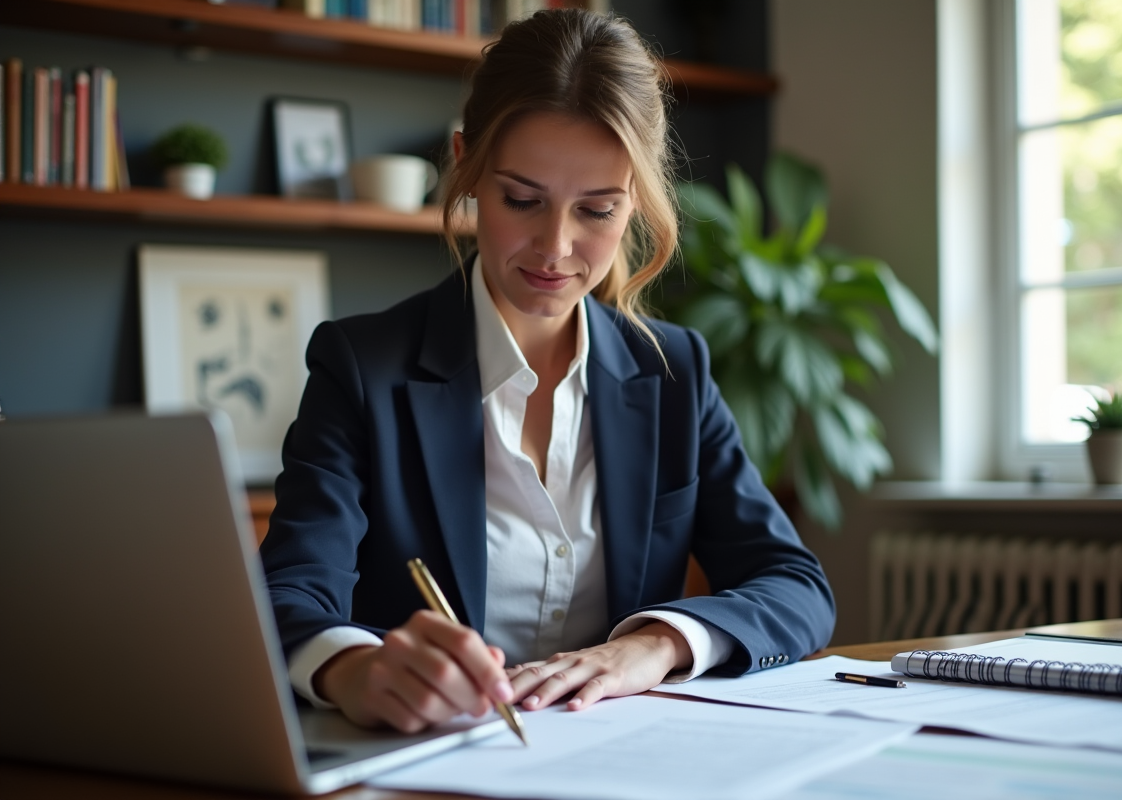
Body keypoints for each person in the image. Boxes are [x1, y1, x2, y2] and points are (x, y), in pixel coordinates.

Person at [260, 8, 835, 735]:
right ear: (467, 164)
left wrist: (654, 647)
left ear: (637, 202)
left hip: (624, 764)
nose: (555, 248)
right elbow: (288, 592)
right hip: (425, 761)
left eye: (597, 209)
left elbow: (795, 586)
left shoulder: (674, 370)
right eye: (522, 200)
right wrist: (354, 669)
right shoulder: (360, 365)